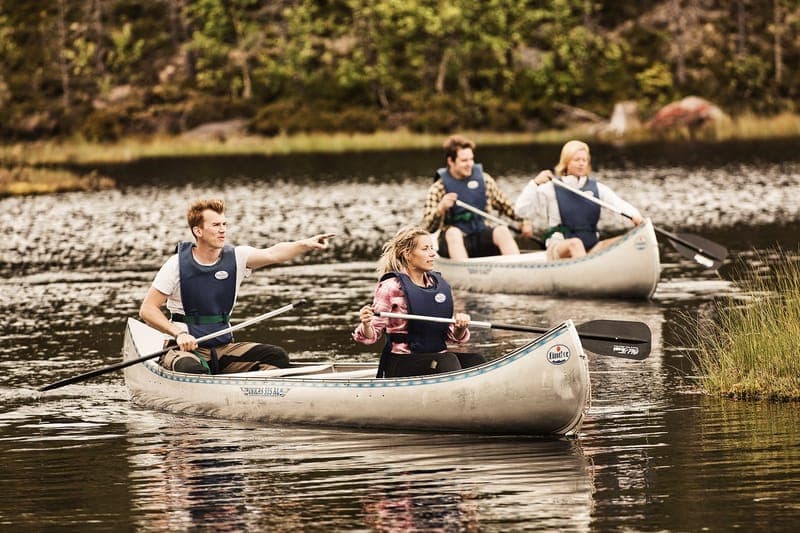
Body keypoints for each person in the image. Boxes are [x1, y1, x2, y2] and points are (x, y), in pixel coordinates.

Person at [139, 198, 334, 374]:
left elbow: (274, 254)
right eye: (215, 225)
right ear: (198, 231)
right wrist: (179, 333)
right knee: (189, 368)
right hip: (183, 349)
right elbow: (147, 309)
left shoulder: (238, 257)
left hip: (223, 349)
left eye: (224, 224)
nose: (223, 229)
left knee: (276, 356)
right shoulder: (175, 265)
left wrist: (306, 244)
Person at [353, 226, 486, 378]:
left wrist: (460, 328)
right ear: (408, 254)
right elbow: (370, 336)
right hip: (401, 362)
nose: (433, 254)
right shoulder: (390, 287)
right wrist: (365, 323)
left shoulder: (440, 286)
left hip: (436, 358)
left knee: (476, 360)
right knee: (447, 360)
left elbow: (451, 336)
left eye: (432, 248)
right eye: (425, 249)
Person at [515, 139, 643, 261]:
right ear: (566, 162)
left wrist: (635, 216)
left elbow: (617, 203)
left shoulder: (597, 188)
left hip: (591, 248)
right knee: (576, 244)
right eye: (577, 160)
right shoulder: (550, 188)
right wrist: (535, 183)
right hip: (559, 247)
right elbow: (521, 211)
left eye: (584, 160)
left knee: (625, 241)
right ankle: (588, 276)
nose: (581, 163)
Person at [422, 134, 534, 260]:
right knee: (453, 233)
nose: (470, 164)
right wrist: (441, 209)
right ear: (451, 161)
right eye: (464, 160)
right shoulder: (438, 189)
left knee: (502, 231)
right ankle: (465, 275)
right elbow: (427, 228)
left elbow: (507, 206)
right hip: (455, 241)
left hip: (481, 235)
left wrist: (524, 222)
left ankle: (516, 269)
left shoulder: (484, 180)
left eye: (471, 159)